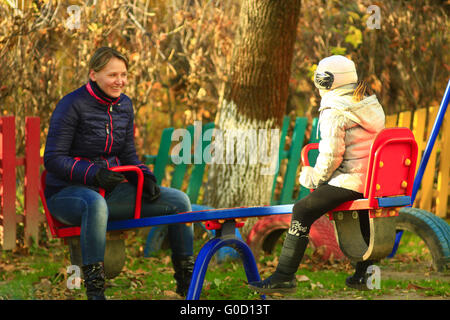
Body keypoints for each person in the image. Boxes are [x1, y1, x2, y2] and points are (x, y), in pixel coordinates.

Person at [44, 47, 195, 300]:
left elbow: (128, 155)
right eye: (112, 74)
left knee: (180, 201)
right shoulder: (71, 104)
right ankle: (95, 293)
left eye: (124, 74)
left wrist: (143, 177)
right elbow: (53, 159)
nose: (120, 81)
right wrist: (93, 173)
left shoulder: (124, 105)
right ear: (93, 75)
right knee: (95, 203)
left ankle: (187, 286)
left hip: (110, 193)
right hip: (67, 195)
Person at [248, 55, 386, 293]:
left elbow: (331, 156)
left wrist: (315, 177)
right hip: (373, 180)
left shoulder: (335, 110)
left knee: (302, 209)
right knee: (362, 210)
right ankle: (365, 274)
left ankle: (284, 276)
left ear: (325, 81)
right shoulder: (368, 102)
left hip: (352, 178)